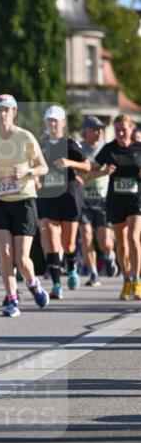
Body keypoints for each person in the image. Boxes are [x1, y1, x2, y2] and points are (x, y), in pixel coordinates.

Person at [0, 94, 50, 317]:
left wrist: (28, 171)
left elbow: (43, 168)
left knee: (22, 259)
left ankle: (32, 282)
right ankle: (11, 299)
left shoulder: (25, 137)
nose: (1, 114)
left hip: (23, 201)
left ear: (14, 112)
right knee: (5, 253)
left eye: (6, 110)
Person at [36, 105, 90, 299]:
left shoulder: (70, 143)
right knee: (51, 240)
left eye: (55, 120)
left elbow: (87, 166)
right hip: (47, 197)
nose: (52, 124)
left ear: (62, 123)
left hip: (68, 196)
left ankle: (72, 266)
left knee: (68, 243)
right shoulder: (39, 144)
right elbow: (32, 165)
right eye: (49, 120)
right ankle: (56, 284)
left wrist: (69, 163)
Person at [89, 113, 141, 301]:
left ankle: (137, 280)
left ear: (131, 129)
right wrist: (103, 171)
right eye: (117, 129)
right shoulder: (108, 150)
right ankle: (126, 279)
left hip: (136, 201)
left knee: (133, 239)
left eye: (124, 129)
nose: (120, 133)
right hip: (115, 202)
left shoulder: (139, 148)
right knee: (121, 242)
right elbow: (90, 172)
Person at [78, 115, 116, 286]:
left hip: (102, 199)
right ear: (85, 131)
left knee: (105, 241)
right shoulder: (79, 150)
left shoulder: (106, 149)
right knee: (86, 237)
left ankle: (109, 257)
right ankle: (93, 273)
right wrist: (101, 172)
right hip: (84, 200)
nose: (99, 132)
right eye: (95, 129)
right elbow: (81, 174)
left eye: (101, 128)